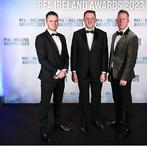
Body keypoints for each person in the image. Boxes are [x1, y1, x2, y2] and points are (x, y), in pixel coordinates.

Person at [35, 11, 71, 143]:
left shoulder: (61, 37)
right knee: (45, 104)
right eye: (51, 21)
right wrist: (57, 71)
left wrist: (65, 70)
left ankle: (58, 124)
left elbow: (66, 56)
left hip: (61, 77)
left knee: (58, 102)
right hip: (48, 77)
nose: (54, 23)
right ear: (46, 22)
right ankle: (43, 129)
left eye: (56, 21)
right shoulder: (40, 38)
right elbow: (42, 60)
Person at [71, 10, 108, 134]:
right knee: (84, 98)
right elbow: (74, 54)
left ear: (96, 19)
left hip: (98, 73)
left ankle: (96, 120)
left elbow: (104, 54)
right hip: (82, 72)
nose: (90, 20)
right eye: (87, 18)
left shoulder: (103, 35)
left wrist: (104, 72)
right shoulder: (76, 34)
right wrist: (74, 71)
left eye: (92, 18)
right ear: (83, 19)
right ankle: (84, 122)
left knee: (96, 97)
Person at [107, 10, 138, 140]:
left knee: (126, 102)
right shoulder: (114, 35)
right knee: (117, 100)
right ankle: (118, 121)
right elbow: (112, 56)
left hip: (124, 77)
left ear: (128, 20)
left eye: (124, 19)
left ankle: (127, 127)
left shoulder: (132, 37)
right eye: (119, 19)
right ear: (116, 20)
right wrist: (109, 71)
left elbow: (131, 60)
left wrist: (124, 77)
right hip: (114, 74)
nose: (121, 21)